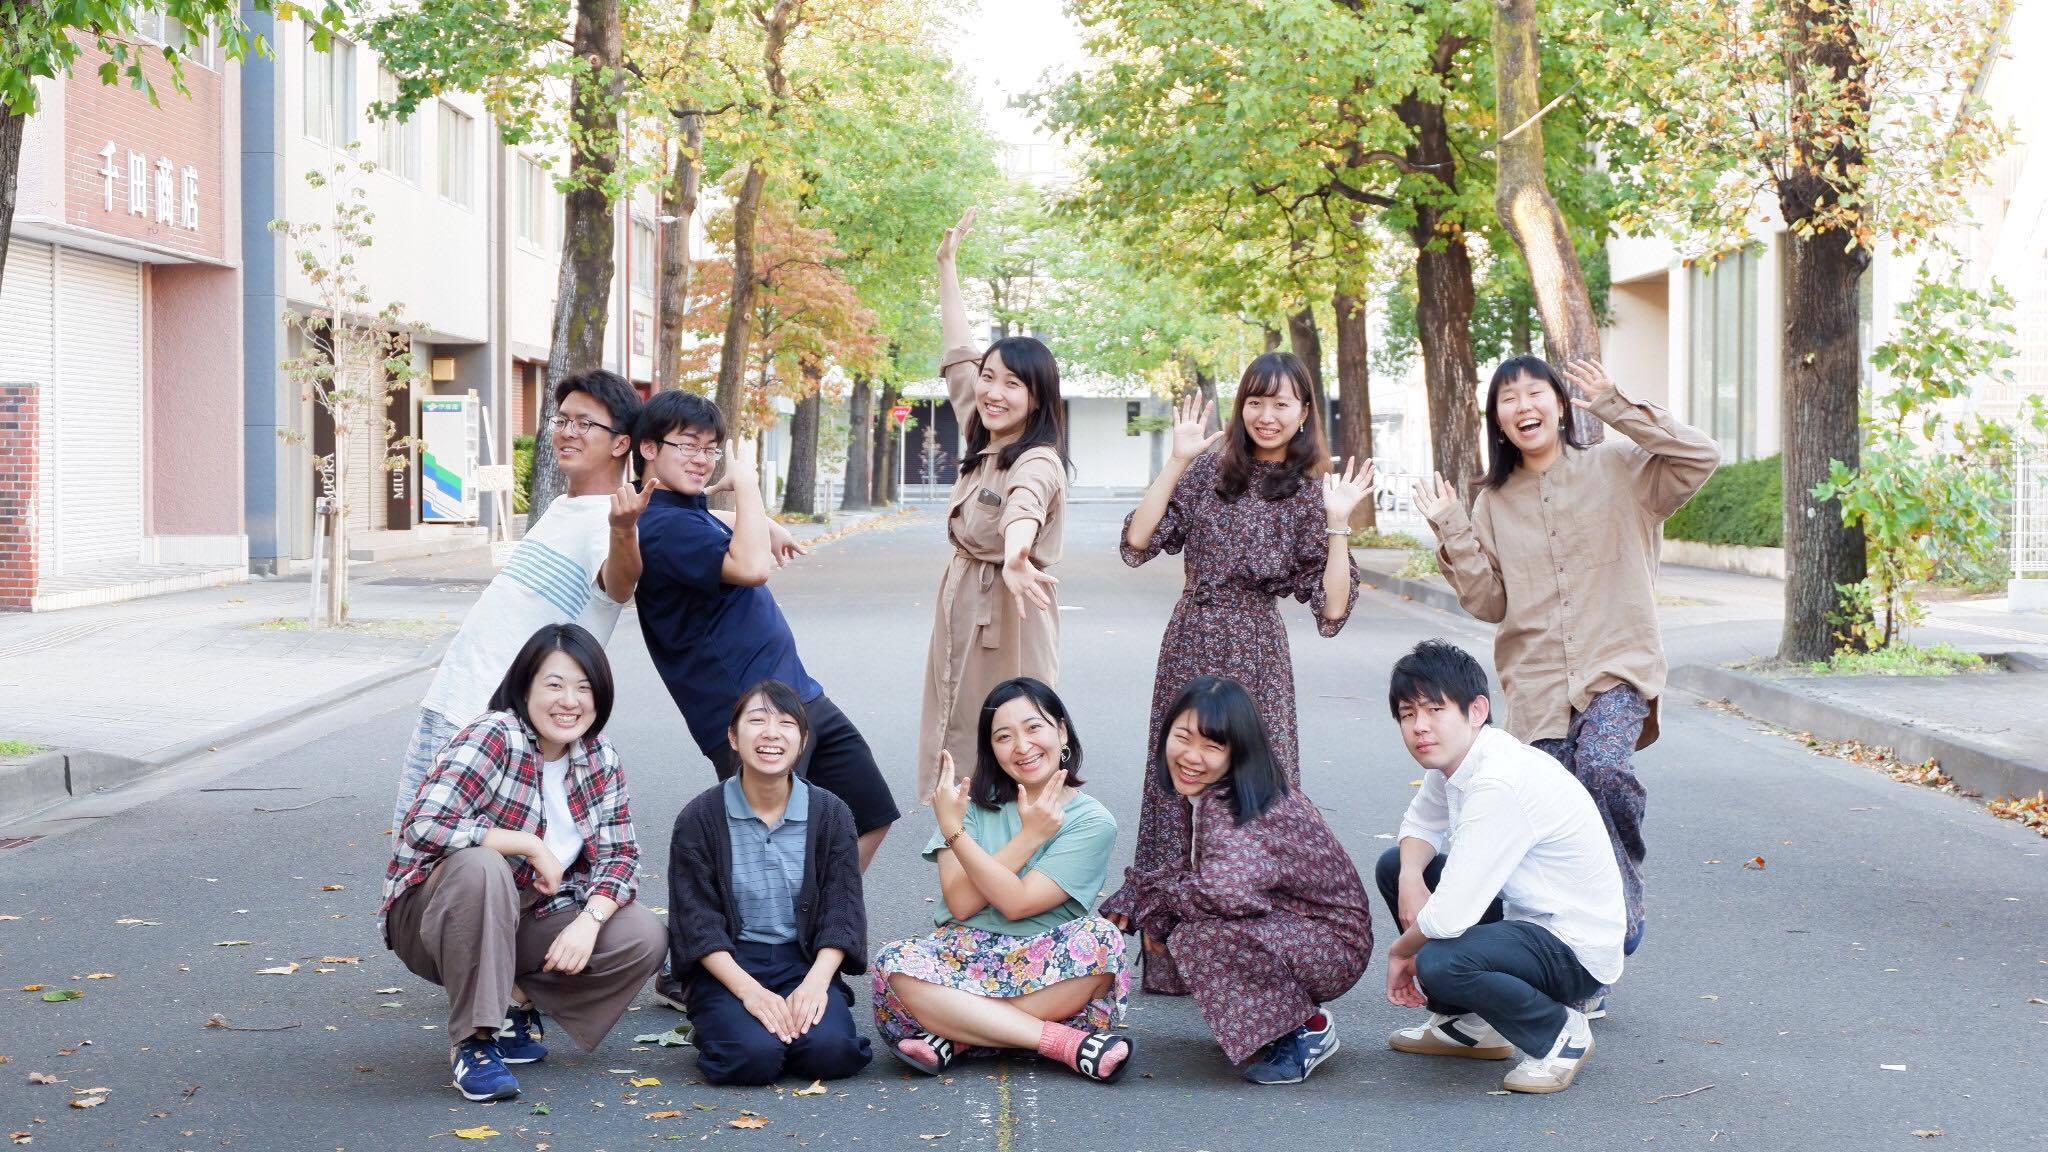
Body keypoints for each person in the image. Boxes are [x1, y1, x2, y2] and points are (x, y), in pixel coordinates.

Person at [1413, 356, 1718, 976]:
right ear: (1497, 421)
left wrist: (1616, 405)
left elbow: (1699, 457)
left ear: (1559, 404)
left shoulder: (1620, 467)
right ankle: (1573, 956)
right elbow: (1488, 602)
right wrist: (1450, 526)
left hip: (1618, 665)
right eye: (1508, 399)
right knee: (1547, 824)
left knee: (1602, 769)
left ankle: (1623, 896)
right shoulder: (1492, 503)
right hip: (1539, 686)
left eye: (1535, 393)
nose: (1523, 406)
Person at [1101, 354, 1370, 994]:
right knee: (1176, 782)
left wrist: (1338, 525)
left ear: (1304, 413)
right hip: (1192, 636)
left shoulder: (1308, 493)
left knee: (1257, 789)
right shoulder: (1207, 472)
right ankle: (1170, 953)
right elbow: (1137, 543)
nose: (1266, 415)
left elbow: (1333, 608)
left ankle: (1253, 949)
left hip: (1257, 648)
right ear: (1241, 406)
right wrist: (1176, 461)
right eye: (1255, 401)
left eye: (1282, 403)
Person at [383, 623, 666, 1103]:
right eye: (554, 685)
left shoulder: (599, 756)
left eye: (583, 688)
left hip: (528, 913)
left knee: (642, 935)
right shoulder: (495, 735)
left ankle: (513, 1004)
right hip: (436, 915)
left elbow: (621, 856)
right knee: (484, 865)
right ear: (526, 687)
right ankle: (473, 1042)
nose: (569, 701)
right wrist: (526, 844)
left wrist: (590, 922)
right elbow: (422, 824)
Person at [632, 389, 900, 871]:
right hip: (748, 714)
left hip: (798, 695)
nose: (702, 459)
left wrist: (755, 518)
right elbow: (752, 567)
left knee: (870, 814)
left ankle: (820, 910)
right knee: (771, 854)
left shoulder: (684, 512)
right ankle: (784, 918)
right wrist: (747, 486)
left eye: (711, 448)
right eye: (688, 445)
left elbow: (707, 520)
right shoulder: (658, 527)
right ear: (648, 447)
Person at [390, 371, 650, 838]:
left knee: (461, 855)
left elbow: (619, 584)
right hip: (451, 702)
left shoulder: (608, 523)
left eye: (584, 423)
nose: (567, 432)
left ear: (620, 443)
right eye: (561, 420)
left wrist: (623, 529)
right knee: (417, 851)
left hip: (498, 727)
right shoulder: (563, 507)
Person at [1378, 640, 1626, 1095]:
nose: (1420, 727)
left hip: (1572, 946)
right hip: (1524, 920)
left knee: (1440, 960)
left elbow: (1448, 918)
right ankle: (1471, 1026)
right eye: (1407, 714)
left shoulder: (1498, 780)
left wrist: (1399, 952)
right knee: (1397, 866)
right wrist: (1410, 878)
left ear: (1476, 710)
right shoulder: (1457, 762)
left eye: (1435, 710)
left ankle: (1561, 1035)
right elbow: (1420, 825)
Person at [1106, 676, 1372, 1085]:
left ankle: (1308, 1030)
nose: (1191, 756)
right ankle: (1282, 1021)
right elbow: (1203, 873)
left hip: (1332, 949)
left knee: (1200, 936)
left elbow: (1227, 893)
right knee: (1190, 920)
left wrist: (1155, 905)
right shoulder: (1233, 789)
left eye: (1212, 746)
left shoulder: (1229, 803)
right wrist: (1143, 894)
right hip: (1314, 935)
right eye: (1183, 737)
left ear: (1238, 750)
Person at [873, 678, 1133, 1082]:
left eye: (1034, 727)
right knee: (894, 961)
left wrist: (977, 833)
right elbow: (962, 905)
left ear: (1062, 732)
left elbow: (1017, 903)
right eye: (1004, 737)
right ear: (991, 749)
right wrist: (974, 829)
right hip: (964, 958)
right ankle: (1060, 1042)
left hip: (1050, 960)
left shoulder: (1092, 820)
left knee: (1103, 940)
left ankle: (957, 1033)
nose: (1022, 746)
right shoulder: (967, 806)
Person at [917, 208, 1068, 805]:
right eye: (990, 377)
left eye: (1012, 384)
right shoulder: (982, 434)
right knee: (958, 729)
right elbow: (959, 354)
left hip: (1010, 615)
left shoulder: (1037, 459)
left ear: (1037, 398)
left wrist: (1016, 554)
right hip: (962, 604)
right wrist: (947, 267)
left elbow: (1024, 503)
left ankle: (1023, 851)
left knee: (1013, 742)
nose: (992, 391)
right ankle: (960, 841)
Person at [665, 680, 872, 1086]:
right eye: (757, 721)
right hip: (730, 965)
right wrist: (750, 992)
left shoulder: (831, 814)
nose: (771, 733)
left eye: (786, 723)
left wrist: (816, 984)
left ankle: (781, 1034)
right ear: (733, 737)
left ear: (803, 741)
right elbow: (697, 923)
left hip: (803, 961)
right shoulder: (699, 818)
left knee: (831, 1053)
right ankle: (728, 1028)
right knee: (751, 1058)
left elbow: (842, 911)